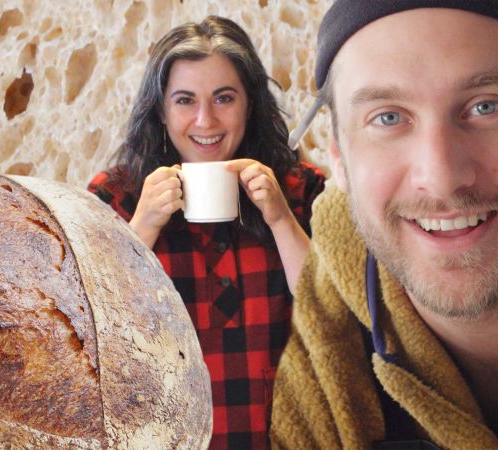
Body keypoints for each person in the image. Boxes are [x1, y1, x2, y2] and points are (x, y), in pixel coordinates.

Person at [271, 1, 498, 449]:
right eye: (388, 117)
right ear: (338, 154)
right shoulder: (320, 365)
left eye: (486, 106)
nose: (441, 178)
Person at [87, 15, 325, 449]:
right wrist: (141, 229)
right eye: (184, 100)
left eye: (224, 98)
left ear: (250, 104)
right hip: (167, 438)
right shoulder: (117, 196)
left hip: (286, 435)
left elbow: (329, 311)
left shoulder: (299, 188)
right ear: (160, 109)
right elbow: (89, 333)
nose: (205, 120)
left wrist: (280, 218)